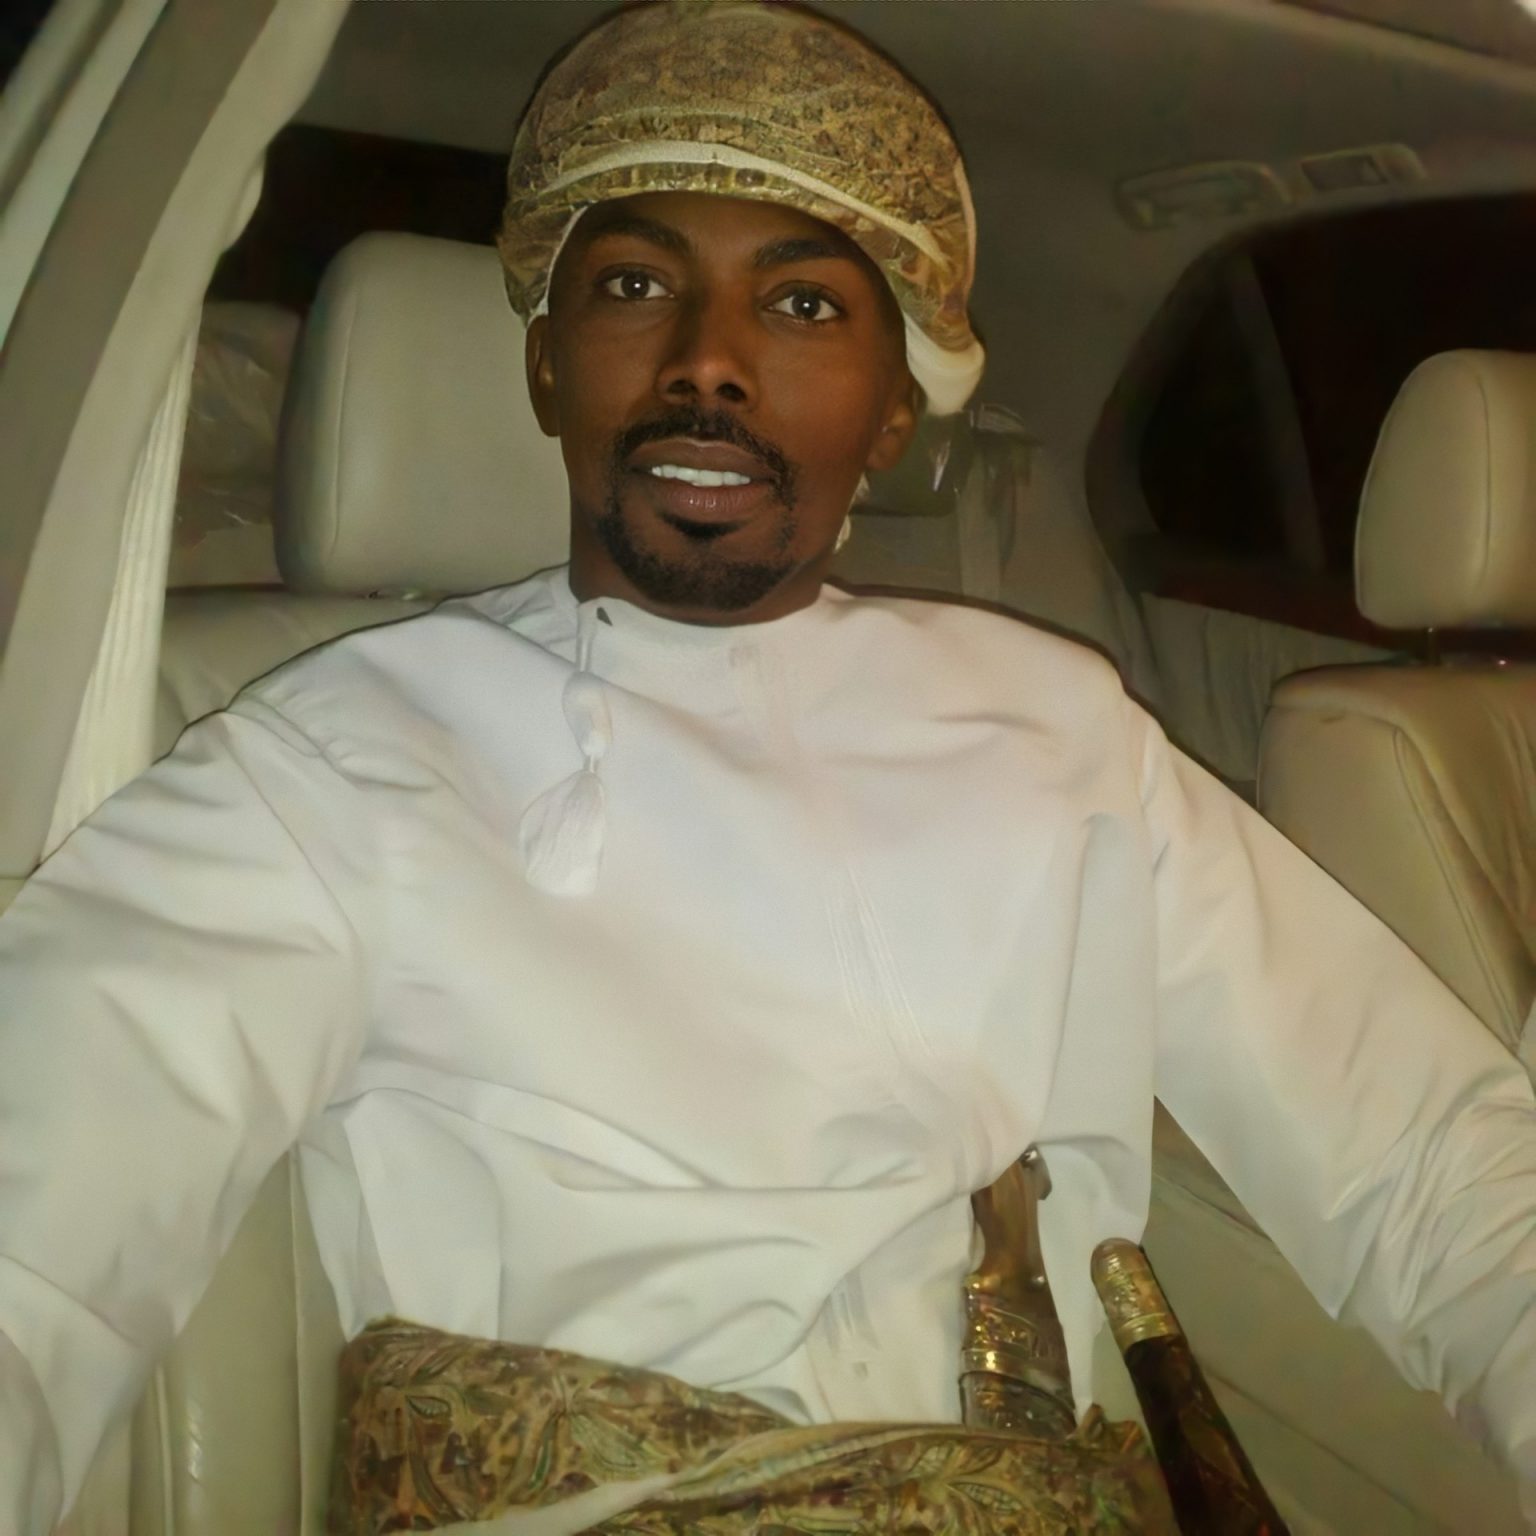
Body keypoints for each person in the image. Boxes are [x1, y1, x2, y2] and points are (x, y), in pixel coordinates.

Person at [2, 2, 1534, 1531]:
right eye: (634, 286)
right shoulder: (334, 758)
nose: (708, 363)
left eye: (802, 306)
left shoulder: (1058, 732)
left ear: (893, 412)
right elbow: (40, 1218)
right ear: (545, 370)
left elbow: (1420, 1165)